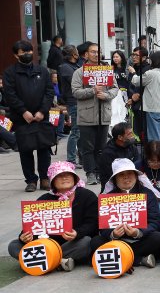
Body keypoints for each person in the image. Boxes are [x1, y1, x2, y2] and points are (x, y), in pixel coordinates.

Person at [7, 161, 97, 271]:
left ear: (75, 178)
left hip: (71, 244)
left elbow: (92, 223)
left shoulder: (87, 196)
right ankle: (58, 261)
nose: (65, 178)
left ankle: (44, 261)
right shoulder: (44, 199)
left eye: (68, 174)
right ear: (53, 181)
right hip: (46, 245)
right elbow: (30, 225)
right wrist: (24, 237)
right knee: (14, 245)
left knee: (86, 242)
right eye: (59, 176)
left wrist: (77, 233)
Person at [91, 158, 160, 268]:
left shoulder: (147, 194)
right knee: (95, 242)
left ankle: (121, 258)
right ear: (115, 179)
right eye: (121, 175)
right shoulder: (107, 198)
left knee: (157, 238)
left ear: (136, 175)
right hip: (117, 241)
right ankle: (139, 260)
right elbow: (102, 227)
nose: (126, 177)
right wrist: (113, 234)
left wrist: (138, 232)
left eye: (129, 173)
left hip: (140, 239)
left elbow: (154, 221)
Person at [4, 40, 56, 191]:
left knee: (44, 149)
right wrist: (23, 111)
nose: (27, 54)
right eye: (23, 52)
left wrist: (42, 111)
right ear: (16, 55)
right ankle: (31, 181)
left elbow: (49, 92)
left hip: (41, 117)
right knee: (26, 150)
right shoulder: (10, 72)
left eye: (29, 51)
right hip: (22, 118)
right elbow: (10, 95)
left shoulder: (42, 70)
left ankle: (45, 178)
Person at [72, 41, 119, 185]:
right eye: (93, 52)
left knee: (102, 147)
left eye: (98, 52)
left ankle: (100, 171)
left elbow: (115, 88)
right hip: (86, 116)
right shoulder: (79, 72)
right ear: (86, 54)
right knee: (88, 148)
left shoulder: (106, 70)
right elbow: (75, 92)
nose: (96, 54)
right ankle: (90, 172)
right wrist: (92, 90)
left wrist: (106, 95)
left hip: (103, 114)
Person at [129, 51, 160, 144]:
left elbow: (136, 81)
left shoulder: (151, 73)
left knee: (154, 138)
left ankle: (156, 157)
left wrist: (133, 72)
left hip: (153, 109)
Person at [98, 122, 140, 191]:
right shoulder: (107, 153)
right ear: (120, 137)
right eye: (129, 134)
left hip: (132, 183)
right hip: (114, 188)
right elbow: (113, 177)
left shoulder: (132, 148)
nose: (132, 136)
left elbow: (137, 167)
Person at [59, 45, 82, 167]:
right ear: (73, 54)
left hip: (80, 101)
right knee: (76, 131)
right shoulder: (65, 68)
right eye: (76, 52)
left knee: (81, 131)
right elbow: (78, 81)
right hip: (73, 102)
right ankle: (71, 159)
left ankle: (81, 157)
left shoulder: (76, 65)